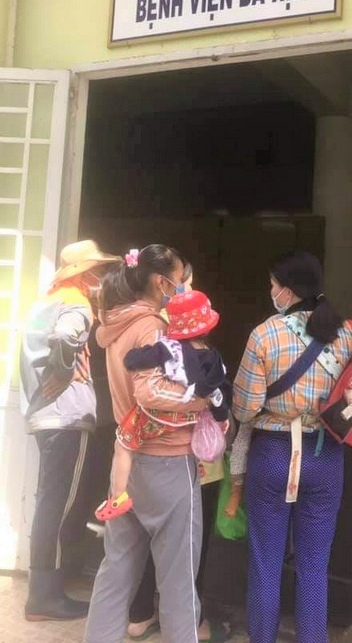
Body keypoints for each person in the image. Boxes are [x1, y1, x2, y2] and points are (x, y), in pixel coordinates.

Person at [233, 250, 352, 643]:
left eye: (272, 285)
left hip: (274, 455)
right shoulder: (350, 334)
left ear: (287, 291)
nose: (270, 292)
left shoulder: (264, 334)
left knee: (265, 562)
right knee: (314, 565)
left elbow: (245, 408)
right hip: (325, 456)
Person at [82, 244, 214, 643]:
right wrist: (204, 400)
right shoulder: (152, 327)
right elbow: (150, 391)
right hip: (167, 460)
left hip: (128, 461)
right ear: (161, 282)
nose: (182, 287)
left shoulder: (116, 323)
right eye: (178, 280)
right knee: (177, 579)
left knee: (117, 569)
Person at [19, 239, 120, 621]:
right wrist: (62, 373)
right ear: (84, 274)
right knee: (58, 506)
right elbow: (64, 337)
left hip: (45, 417)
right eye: (99, 271)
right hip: (65, 416)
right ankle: (45, 596)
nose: (103, 278)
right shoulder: (77, 304)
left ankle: (44, 590)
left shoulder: (46, 301)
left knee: (49, 502)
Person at [95, 288, 229, 521]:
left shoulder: (168, 347)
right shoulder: (214, 358)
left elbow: (135, 360)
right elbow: (217, 392)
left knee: (123, 445)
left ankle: (118, 497)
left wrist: (130, 357)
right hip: (186, 420)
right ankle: (198, 466)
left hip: (154, 416)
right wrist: (221, 417)